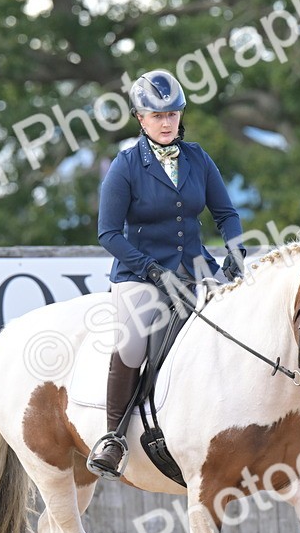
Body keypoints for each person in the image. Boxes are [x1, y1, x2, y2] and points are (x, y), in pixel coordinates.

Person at [86, 69, 247, 480]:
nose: (167, 122)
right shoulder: (125, 166)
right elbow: (108, 233)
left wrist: (234, 250)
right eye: (157, 116)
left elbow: (226, 213)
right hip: (140, 274)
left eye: (173, 114)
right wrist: (151, 270)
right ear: (141, 118)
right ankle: (113, 437)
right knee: (135, 344)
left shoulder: (196, 157)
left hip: (195, 269)